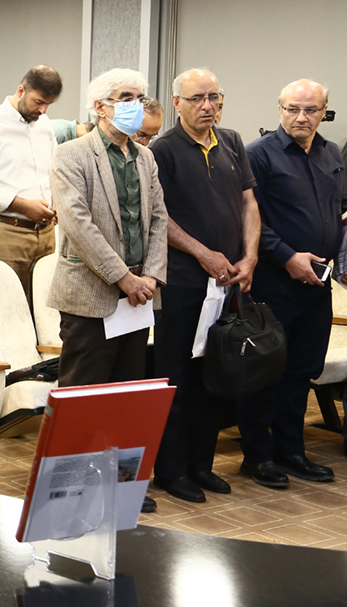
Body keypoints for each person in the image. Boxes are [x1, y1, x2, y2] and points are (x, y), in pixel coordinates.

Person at [49, 69, 168, 511]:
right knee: (83, 396)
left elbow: (158, 218)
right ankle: (70, 490)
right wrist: (123, 277)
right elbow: (77, 223)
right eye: (126, 96)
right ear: (100, 106)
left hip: (137, 297)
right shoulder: (71, 155)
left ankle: (119, 485)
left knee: (126, 395)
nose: (137, 104)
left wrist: (151, 275)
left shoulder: (145, 157)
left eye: (140, 96)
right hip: (92, 294)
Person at [149, 68, 259, 501]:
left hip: (228, 282)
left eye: (214, 97)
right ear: (177, 103)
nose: (207, 106)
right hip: (183, 284)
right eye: (197, 98)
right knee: (176, 377)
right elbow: (159, 217)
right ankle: (171, 471)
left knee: (214, 376)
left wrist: (250, 256)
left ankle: (201, 465)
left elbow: (249, 202)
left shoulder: (231, 141)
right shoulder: (163, 150)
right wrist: (202, 253)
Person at [239, 79, 344, 487]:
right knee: (267, 373)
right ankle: (257, 457)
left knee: (301, 371)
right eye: (293, 109)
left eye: (311, 109)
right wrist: (286, 256)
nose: (301, 117)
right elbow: (249, 219)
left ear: (324, 111)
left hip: (317, 284)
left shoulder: (330, 153)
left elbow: (337, 207)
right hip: (274, 283)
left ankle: (291, 451)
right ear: (280, 109)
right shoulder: (258, 155)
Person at [0, 65, 62, 301]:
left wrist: (58, 202)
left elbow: (54, 170)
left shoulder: (44, 124)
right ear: (21, 91)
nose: (43, 110)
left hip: (45, 233)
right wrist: (22, 205)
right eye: (38, 102)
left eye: (49, 104)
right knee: (0, 306)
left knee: (41, 310)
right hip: (5, 232)